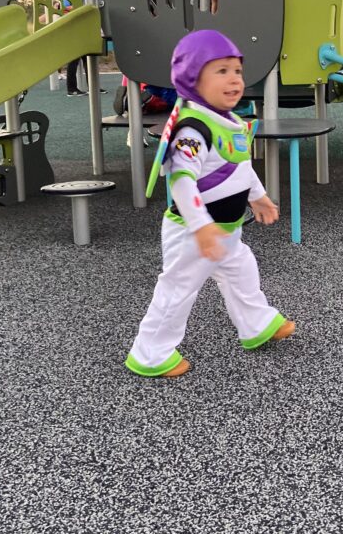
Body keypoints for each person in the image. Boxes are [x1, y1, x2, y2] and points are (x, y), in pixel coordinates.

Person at [125, 29, 293, 379]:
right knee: (179, 289)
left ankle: (256, 323)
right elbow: (182, 181)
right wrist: (201, 227)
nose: (234, 79)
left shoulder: (228, 122)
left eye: (237, 71)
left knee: (242, 272)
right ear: (192, 78)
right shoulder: (193, 130)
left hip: (224, 231)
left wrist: (257, 195)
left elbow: (239, 164)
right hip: (193, 232)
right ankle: (150, 353)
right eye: (221, 71)